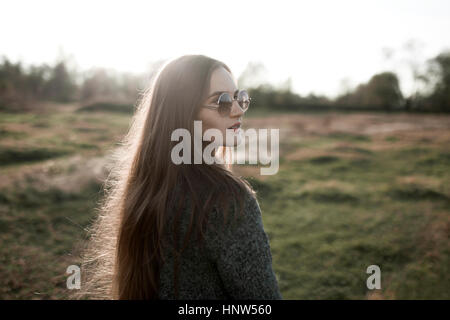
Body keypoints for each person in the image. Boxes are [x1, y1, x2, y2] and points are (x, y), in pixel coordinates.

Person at [77, 54, 282, 300]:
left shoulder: (147, 187)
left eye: (240, 97)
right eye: (222, 101)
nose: (238, 110)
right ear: (184, 113)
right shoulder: (229, 202)